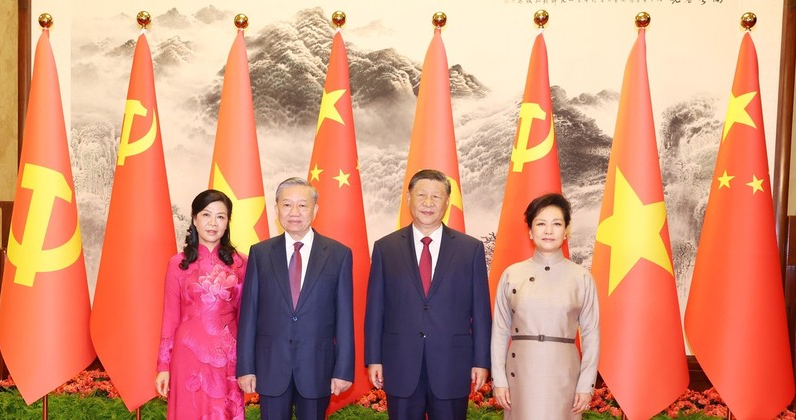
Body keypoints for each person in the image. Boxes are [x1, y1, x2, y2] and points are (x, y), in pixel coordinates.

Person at [364, 169, 492, 420]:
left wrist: (481, 361)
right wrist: (374, 358)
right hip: (400, 363)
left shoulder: (470, 249)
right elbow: (375, 309)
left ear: (447, 202)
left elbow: (481, 311)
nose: (428, 202)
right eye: (421, 194)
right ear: (408, 198)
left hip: (451, 364)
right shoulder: (385, 248)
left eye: (436, 196)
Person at [236, 177, 354, 420]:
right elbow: (249, 314)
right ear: (277, 208)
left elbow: (345, 318)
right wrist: (246, 367)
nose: (294, 212)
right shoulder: (260, 253)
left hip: (316, 367)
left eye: (302, 205)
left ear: (315, 210)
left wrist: (343, 370)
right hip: (271, 366)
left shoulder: (338, 254)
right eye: (287, 205)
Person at [491, 193, 600, 419]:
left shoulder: (581, 278)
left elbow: (591, 334)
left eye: (556, 224)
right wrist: (499, 379)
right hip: (520, 374)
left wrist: (585, 384)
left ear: (566, 231)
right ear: (530, 231)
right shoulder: (512, 274)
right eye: (541, 224)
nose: (548, 231)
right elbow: (500, 331)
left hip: (564, 376)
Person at [155, 189, 247, 419]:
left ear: (227, 222)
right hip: (186, 358)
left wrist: (249, 364)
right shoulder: (178, 264)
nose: (213, 223)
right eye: (206, 215)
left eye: (220, 216)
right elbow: (170, 317)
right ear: (194, 219)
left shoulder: (242, 263)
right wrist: (163, 366)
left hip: (227, 359)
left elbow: (247, 319)